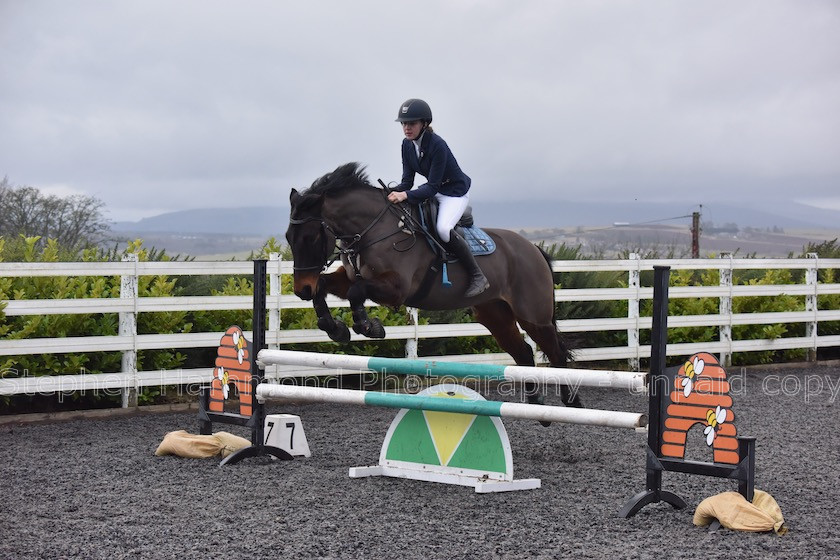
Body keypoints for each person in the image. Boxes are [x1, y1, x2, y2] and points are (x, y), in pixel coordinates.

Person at [387, 98, 489, 298]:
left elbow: (432, 187)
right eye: (404, 124)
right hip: (433, 191)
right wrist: (388, 193)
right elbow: (407, 182)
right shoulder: (406, 145)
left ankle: (478, 276)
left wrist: (404, 195)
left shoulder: (437, 145)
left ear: (424, 124)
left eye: (412, 123)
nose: (407, 128)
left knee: (443, 229)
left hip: (454, 193)